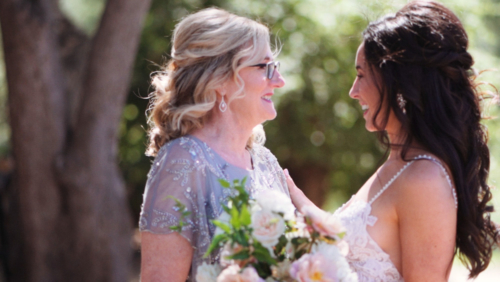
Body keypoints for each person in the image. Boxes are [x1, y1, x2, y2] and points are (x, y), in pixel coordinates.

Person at [286, 1, 498, 281]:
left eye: (361, 75)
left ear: (398, 82)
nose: (353, 91)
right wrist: (286, 190)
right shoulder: (398, 164)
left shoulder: (425, 178)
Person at [138, 8, 289, 282]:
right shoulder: (183, 162)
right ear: (220, 79)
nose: (279, 81)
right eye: (265, 67)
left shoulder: (266, 162)